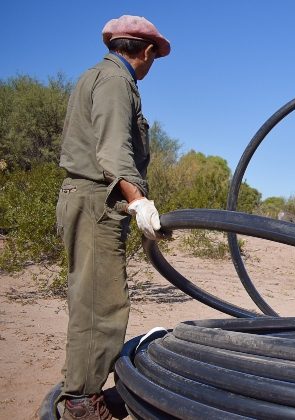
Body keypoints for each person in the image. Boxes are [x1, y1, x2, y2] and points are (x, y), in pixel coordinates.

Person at [55, 15, 170, 419]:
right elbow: (112, 151)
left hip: (87, 198)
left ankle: (82, 393)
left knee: (91, 299)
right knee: (100, 304)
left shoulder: (95, 76)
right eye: (156, 57)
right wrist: (138, 200)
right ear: (147, 51)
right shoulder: (117, 82)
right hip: (94, 201)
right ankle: (83, 403)